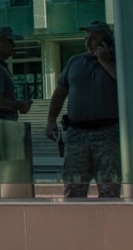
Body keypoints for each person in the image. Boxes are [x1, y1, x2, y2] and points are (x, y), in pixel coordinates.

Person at [46, 21, 120, 198]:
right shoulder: (75, 61)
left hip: (107, 133)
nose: (88, 43)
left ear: (106, 42)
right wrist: (51, 120)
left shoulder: (118, 62)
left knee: (109, 188)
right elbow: (60, 92)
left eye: (93, 39)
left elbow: (125, 84)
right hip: (77, 133)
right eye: (86, 38)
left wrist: (105, 61)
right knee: (74, 186)